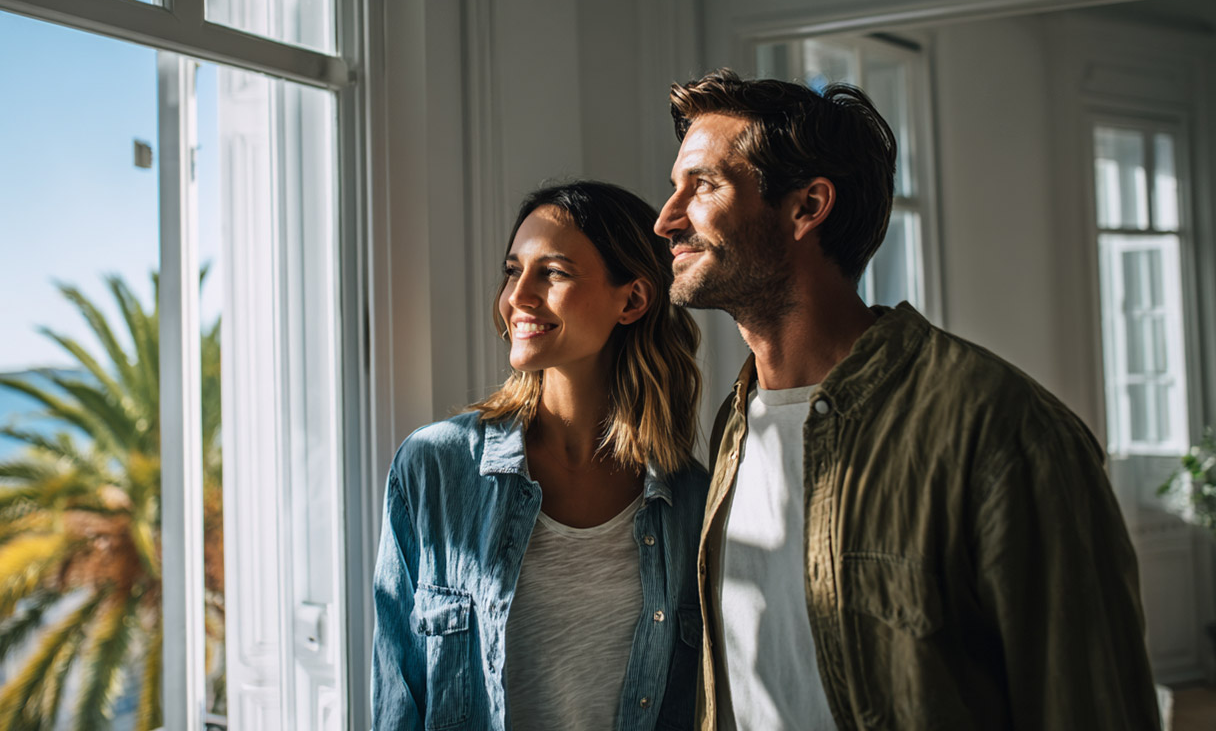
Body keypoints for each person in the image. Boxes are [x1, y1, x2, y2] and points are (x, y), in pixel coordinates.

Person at [653, 69, 1160, 730]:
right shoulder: (735, 423)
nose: (666, 219)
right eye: (674, 190)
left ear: (807, 207)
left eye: (704, 187)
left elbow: (1092, 706)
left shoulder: (1002, 431)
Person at [371, 180, 708, 731]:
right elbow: (398, 694)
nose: (517, 297)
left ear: (633, 300)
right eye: (512, 270)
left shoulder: (693, 499)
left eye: (552, 272)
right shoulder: (433, 468)